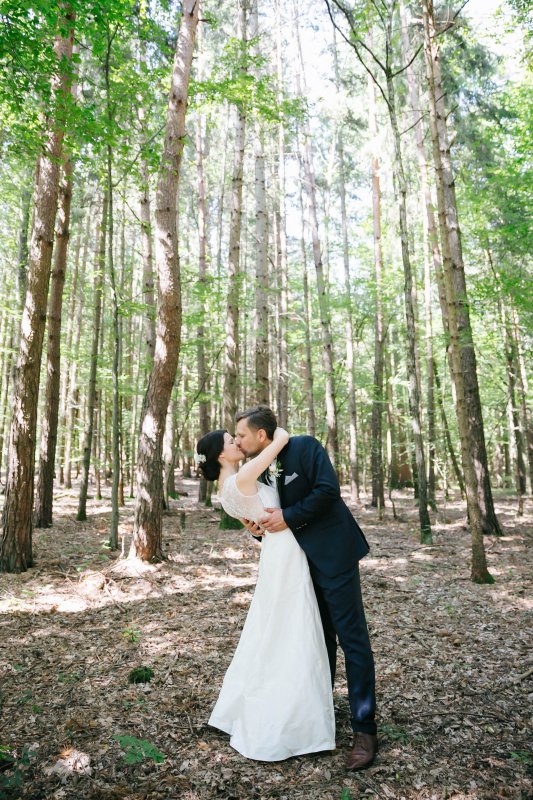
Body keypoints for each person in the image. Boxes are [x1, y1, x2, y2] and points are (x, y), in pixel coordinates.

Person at [234, 405, 377, 771]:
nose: (238, 441)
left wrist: (289, 517)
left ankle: (365, 729)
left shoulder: (306, 447)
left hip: (333, 555)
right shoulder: (258, 466)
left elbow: (328, 491)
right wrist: (258, 530)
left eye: (242, 435)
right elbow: (266, 515)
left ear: (262, 435)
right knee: (317, 638)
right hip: (295, 568)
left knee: (352, 638)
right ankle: (319, 714)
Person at [195, 426, 335, 761]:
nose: (238, 442)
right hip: (285, 550)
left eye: (238, 437)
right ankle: (287, 717)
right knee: (290, 626)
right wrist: (281, 435)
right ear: (220, 454)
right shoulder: (241, 477)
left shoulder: (224, 490)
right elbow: (276, 446)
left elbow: (253, 520)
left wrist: (254, 525)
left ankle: (295, 705)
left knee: (275, 627)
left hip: (277, 549)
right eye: (232, 441)